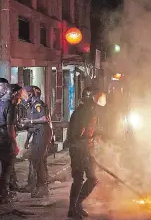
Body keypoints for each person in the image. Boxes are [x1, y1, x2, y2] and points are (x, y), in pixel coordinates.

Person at [65, 87, 105, 220]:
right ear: (90, 98)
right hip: (79, 149)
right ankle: (73, 208)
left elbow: (88, 131)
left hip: (84, 149)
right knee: (79, 179)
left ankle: (77, 205)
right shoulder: (84, 112)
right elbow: (79, 133)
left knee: (92, 178)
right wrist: (86, 152)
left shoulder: (87, 111)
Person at [0, 82, 21, 203]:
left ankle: (8, 191)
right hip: (6, 139)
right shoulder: (10, 107)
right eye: (18, 94)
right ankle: (1, 195)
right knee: (7, 168)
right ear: (13, 93)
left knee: (4, 166)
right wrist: (14, 144)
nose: (19, 97)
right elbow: (10, 127)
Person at [19, 86, 52, 198]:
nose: (23, 98)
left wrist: (30, 120)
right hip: (36, 134)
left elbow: (44, 119)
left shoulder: (38, 104)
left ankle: (43, 187)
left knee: (39, 160)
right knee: (34, 159)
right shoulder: (29, 106)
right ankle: (37, 185)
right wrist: (27, 141)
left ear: (30, 94)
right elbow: (31, 126)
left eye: (24, 95)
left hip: (42, 133)